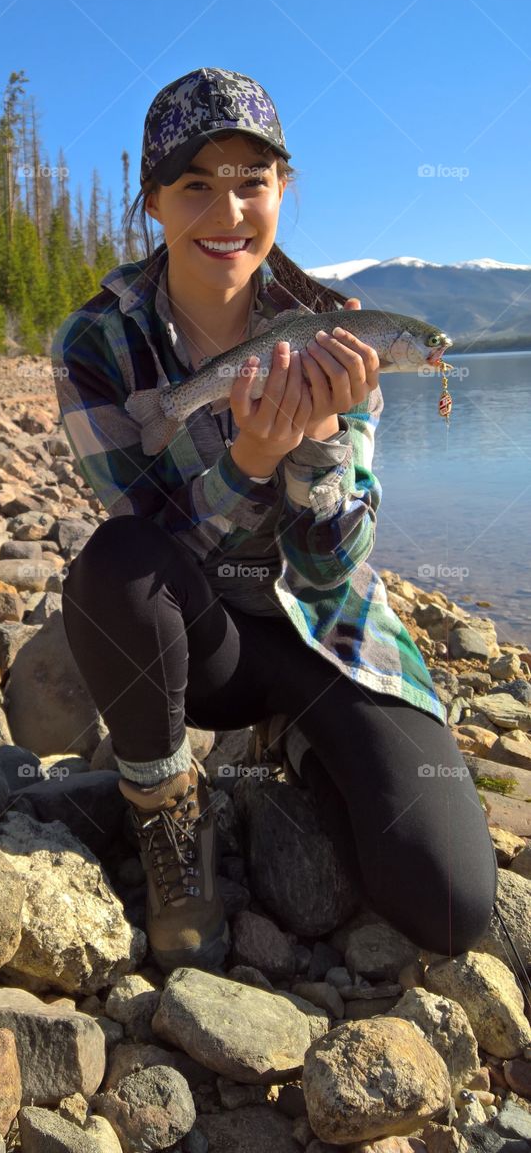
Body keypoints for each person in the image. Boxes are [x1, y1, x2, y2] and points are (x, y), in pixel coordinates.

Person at [50, 66, 497, 975]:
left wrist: (322, 442)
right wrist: (250, 459)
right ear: (153, 204)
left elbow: (335, 570)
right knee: (112, 563)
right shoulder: (96, 341)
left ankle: (294, 739)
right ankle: (168, 806)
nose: (227, 211)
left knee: (449, 908)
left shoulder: (337, 331)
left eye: (251, 182)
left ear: (281, 191)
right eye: (194, 185)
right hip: (194, 636)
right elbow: (151, 541)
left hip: (321, 628)